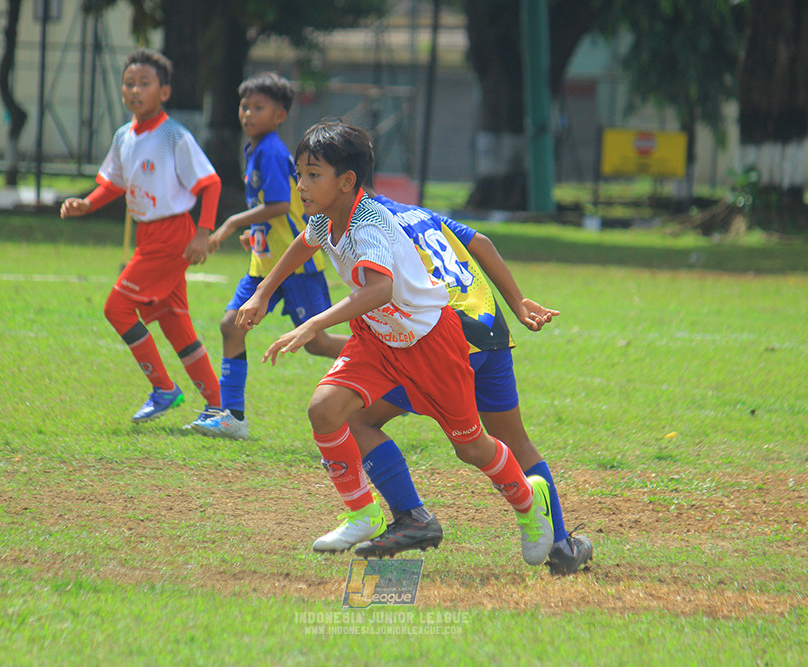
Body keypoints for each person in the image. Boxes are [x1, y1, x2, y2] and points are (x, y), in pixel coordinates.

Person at [235, 120, 555, 566]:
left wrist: (312, 326)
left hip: (431, 342)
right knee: (324, 410)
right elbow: (303, 245)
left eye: (312, 174)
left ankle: (528, 501)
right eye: (299, 173)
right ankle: (363, 514)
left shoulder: (368, 223)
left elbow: (378, 291)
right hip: (377, 339)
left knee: (471, 447)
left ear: (347, 181)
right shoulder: (328, 219)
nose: (301, 184)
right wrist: (263, 292)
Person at [347, 187, 593, 575]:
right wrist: (518, 301)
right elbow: (481, 241)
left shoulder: (368, 226)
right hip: (490, 327)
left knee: (356, 419)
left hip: (445, 339)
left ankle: (411, 515)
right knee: (515, 441)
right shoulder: (417, 212)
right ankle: (561, 546)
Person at [60, 48, 225, 428]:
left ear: (163, 92)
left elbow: (211, 183)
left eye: (145, 84)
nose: (135, 90)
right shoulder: (125, 136)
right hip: (148, 234)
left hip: (171, 234)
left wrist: (203, 234)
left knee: (116, 308)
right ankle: (218, 408)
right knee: (173, 321)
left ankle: (164, 389)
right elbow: (113, 183)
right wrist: (87, 204)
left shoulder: (173, 136)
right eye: (129, 83)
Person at [195, 72, 345, 440]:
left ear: (279, 115)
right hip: (263, 264)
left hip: (298, 266)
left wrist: (231, 223)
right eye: (244, 106)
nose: (248, 113)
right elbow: (274, 209)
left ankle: (394, 361)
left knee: (318, 344)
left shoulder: (273, 152)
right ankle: (232, 417)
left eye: (258, 107)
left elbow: (279, 205)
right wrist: (255, 234)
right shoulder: (255, 150)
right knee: (231, 325)